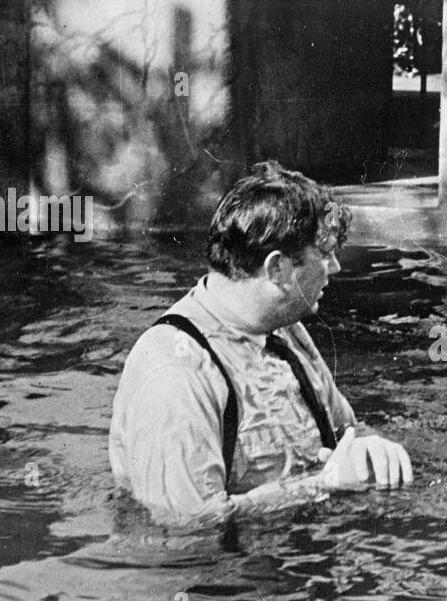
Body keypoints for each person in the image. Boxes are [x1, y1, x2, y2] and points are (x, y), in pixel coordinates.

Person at [109, 161, 412, 526]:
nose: (336, 267)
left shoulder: (285, 329)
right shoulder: (175, 372)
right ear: (277, 269)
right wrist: (324, 485)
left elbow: (346, 430)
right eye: (325, 253)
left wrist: (370, 447)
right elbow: (184, 528)